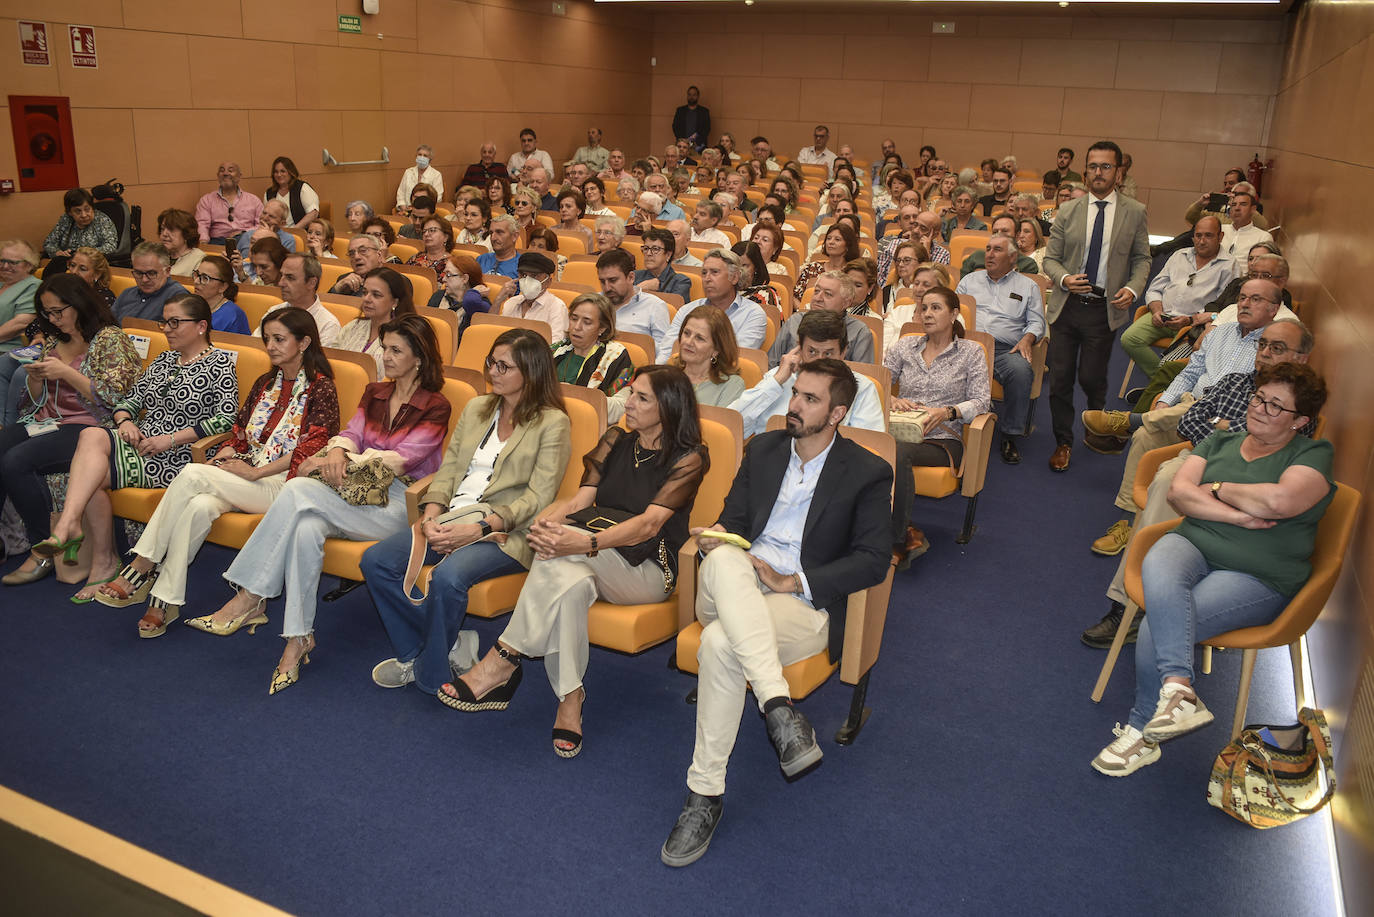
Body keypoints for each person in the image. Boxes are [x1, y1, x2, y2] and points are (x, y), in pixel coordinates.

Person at [660, 357, 890, 867]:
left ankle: (704, 796)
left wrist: (794, 580)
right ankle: (778, 708)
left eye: (810, 399)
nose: (794, 406)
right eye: (796, 394)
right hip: (730, 582)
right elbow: (733, 521)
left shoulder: (868, 472)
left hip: (799, 603)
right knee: (722, 557)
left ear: (837, 414)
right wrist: (719, 535)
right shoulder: (763, 449)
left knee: (721, 646)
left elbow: (874, 561)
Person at [443, 365, 707, 759]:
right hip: (594, 555)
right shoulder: (617, 438)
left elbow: (650, 526)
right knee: (566, 581)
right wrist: (551, 522)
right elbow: (582, 501)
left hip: (650, 567)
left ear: (668, 407)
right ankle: (570, 697)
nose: (629, 403)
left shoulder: (690, 457)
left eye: (641, 397)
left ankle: (503, 658)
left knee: (555, 558)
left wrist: (584, 543)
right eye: (631, 393)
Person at [1091, 362, 1334, 777]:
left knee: (1156, 624)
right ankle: (1178, 694)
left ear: (1301, 421)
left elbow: (1280, 502)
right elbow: (1182, 496)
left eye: (1277, 406)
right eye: (1260, 397)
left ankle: (1142, 732)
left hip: (1258, 573)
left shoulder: (1313, 455)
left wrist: (1218, 490)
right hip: (1193, 542)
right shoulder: (1221, 440)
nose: (1260, 408)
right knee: (1161, 559)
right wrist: (1239, 515)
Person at [194, 315, 447, 691]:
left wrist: (341, 458)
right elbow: (350, 432)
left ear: (420, 358)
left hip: (396, 504)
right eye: (385, 347)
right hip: (350, 493)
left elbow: (402, 459)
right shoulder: (375, 392)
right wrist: (339, 449)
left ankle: (251, 593)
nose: (387, 355)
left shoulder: (435, 405)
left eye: (396, 350)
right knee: (305, 526)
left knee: (296, 489)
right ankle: (297, 639)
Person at [1081, 318, 1314, 649]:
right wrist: (1226, 432)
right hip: (1199, 460)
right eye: (1262, 345)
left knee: (1166, 484)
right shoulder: (1234, 381)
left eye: (1277, 348)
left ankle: (1137, 609)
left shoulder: (1301, 407)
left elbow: (1263, 455)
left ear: (1301, 358)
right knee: (1166, 479)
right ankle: (1127, 603)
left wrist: (1220, 430)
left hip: (1244, 483)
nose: (1264, 354)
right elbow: (1190, 421)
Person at [96, 308, 340, 623]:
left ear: (305, 342)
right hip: (249, 475)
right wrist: (226, 452)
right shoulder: (267, 382)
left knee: (193, 473)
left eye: (279, 339)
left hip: (286, 485)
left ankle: (143, 562)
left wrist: (254, 471)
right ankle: (165, 599)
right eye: (267, 339)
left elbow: (313, 450)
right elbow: (239, 433)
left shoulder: (322, 388)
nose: (270, 346)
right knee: (199, 505)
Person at [39, 293, 238, 606]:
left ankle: (87, 545)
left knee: (91, 477)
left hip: (176, 457)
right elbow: (128, 400)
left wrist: (169, 439)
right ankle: (75, 530)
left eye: (175, 322)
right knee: (91, 436)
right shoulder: (163, 359)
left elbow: (226, 419)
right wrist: (125, 421)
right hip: (138, 442)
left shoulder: (220, 364)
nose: (167, 329)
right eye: (164, 322)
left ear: (201, 326)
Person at [0, 274, 141, 587]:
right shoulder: (53, 340)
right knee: (2, 444)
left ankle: (42, 549)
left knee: (17, 461)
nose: (54, 319)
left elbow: (119, 398)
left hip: (93, 428)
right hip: (50, 422)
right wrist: (35, 378)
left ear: (78, 304)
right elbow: (36, 404)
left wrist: (66, 372)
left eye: (59, 311)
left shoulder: (109, 339)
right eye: (47, 313)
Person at [1042, 140, 1150, 473]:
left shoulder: (1135, 211)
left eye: (1105, 167)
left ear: (1118, 172)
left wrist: (1132, 289)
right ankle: (1063, 441)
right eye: (1092, 166)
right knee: (1059, 379)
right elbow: (1051, 259)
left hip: (1104, 309)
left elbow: (1142, 259)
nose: (1098, 173)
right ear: (1085, 171)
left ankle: (1097, 425)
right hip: (1067, 306)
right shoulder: (1069, 210)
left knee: (1092, 377)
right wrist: (1063, 280)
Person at [883, 286, 992, 565]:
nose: (927, 314)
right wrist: (891, 398)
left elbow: (982, 401)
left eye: (936, 308)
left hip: (943, 439)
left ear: (954, 314)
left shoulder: (970, 353)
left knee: (896, 451)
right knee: (884, 445)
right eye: (924, 308)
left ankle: (897, 537)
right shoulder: (906, 346)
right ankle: (891, 528)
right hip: (902, 428)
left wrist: (948, 412)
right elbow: (879, 381)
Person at [955, 235, 1045, 464]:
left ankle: (1010, 435)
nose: (989, 254)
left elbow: (1036, 322)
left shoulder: (1028, 286)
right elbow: (953, 313)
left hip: (1004, 349)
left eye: (997, 250)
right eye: (987, 249)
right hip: (968, 344)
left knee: (1021, 371)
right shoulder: (969, 281)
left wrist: (1027, 339)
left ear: (1013, 257)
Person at [733, 309, 886, 439]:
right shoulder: (778, 379)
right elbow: (734, 427)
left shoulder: (862, 388)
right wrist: (776, 381)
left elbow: (867, 449)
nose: (819, 361)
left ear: (843, 352)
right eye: (812, 351)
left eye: (828, 353)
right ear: (799, 347)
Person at [1118, 216, 1233, 380]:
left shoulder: (1229, 265)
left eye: (1208, 235)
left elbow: (1223, 305)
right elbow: (1155, 289)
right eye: (1198, 235)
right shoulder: (1179, 255)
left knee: (1172, 361)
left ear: (1220, 237)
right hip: (1163, 316)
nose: (1201, 241)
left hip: (1194, 325)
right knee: (1129, 339)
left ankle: (1162, 383)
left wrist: (1189, 319)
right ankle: (1163, 382)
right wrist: (1157, 311)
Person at [656, 249, 767, 361]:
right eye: (704, 273)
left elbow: (733, 358)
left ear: (734, 277)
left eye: (714, 272)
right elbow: (667, 351)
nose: (707, 279)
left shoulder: (752, 314)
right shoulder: (687, 310)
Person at [769, 272, 874, 365]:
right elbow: (771, 362)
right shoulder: (795, 321)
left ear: (846, 303)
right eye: (816, 291)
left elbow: (861, 378)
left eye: (828, 294)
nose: (817, 298)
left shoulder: (860, 332)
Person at [337, 267, 418, 377]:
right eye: (365, 292)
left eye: (376, 295)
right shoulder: (353, 327)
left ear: (394, 302)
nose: (367, 299)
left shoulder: (405, 337)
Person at [554, 293, 634, 395]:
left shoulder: (617, 356)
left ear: (602, 328)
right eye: (574, 319)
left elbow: (621, 404)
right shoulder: (557, 350)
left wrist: (575, 395)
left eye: (587, 322)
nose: (577, 327)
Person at [255, 254, 342, 347]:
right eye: (281, 275)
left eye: (290, 278)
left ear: (311, 283)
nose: (281, 283)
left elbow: (318, 361)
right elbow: (256, 350)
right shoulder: (273, 311)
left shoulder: (327, 325)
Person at [597, 248, 670, 342]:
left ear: (631, 277)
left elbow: (663, 351)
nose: (607, 288)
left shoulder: (655, 306)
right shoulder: (593, 303)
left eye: (613, 280)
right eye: (602, 282)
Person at [491, 251, 565, 341]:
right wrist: (498, 300)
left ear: (548, 282)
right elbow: (492, 335)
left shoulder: (557, 307)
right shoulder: (510, 303)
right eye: (524, 275)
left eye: (534, 276)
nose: (527, 281)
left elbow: (555, 347)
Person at [113, 242, 189, 322]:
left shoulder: (178, 297)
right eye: (138, 273)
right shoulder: (126, 294)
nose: (144, 279)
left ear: (167, 271)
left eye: (151, 273)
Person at [196, 162, 263, 245]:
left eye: (230, 171)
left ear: (239, 176)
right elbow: (202, 225)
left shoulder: (253, 200)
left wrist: (243, 232)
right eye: (222, 171)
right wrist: (203, 243)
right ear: (218, 175)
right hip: (218, 241)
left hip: (246, 240)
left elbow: (261, 225)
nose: (226, 174)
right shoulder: (206, 200)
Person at [43, 188, 118, 261]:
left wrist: (82, 254)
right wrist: (58, 253)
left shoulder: (102, 220)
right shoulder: (66, 219)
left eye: (87, 209)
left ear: (92, 208)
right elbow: (49, 243)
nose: (84, 215)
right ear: (70, 212)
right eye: (78, 211)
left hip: (93, 264)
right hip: (67, 263)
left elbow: (111, 246)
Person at [427, 253, 491, 336]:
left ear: (465, 279)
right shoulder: (438, 296)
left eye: (448, 275)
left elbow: (470, 302)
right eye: (444, 274)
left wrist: (473, 293)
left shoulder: (479, 303)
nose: (443, 279)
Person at [794, 223, 860, 302]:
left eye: (837, 239)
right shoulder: (812, 268)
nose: (831, 242)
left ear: (847, 246)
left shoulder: (851, 273)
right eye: (828, 238)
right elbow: (795, 297)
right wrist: (802, 311)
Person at [191, 255, 250, 334]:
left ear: (223, 287)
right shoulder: (188, 305)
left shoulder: (234, 316)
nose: (196, 281)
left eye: (205, 278)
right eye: (197, 275)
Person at [634, 227, 692, 302]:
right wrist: (640, 288)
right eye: (646, 248)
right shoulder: (635, 276)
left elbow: (673, 309)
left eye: (655, 249)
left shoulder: (680, 282)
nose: (648, 253)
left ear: (668, 255)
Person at [264, 156, 319, 227]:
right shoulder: (269, 193)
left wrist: (295, 230)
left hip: (300, 232)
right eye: (276, 172)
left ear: (290, 172)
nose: (279, 175)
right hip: (276, 233)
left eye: (282, 171)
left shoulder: (302, 188)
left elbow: (313, 213)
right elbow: (265, 216)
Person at [395, 145, 445, 214]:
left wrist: (421, 209)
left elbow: (438, 198)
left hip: (425, 212)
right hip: (406, 211)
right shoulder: (408, 172)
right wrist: (403, 207)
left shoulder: (436, 175)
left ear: (430, 159)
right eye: (420, 154)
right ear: (416, 156)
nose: (422, 157)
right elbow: (400, 193)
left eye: (425, 156)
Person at [407, 215, 456, 284]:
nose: (426, 234)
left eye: (432, 230)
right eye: (424, 231)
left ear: (445, 237)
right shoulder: (415, 258)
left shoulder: (452, 264)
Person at [156, 208, 206, 275]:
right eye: (162, 229)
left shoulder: (198, 259)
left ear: (186, 234)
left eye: (171, 229)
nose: (164, 234)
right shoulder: (155, 253)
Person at [477, 215, 521, 279]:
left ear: (514, 236)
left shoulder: (522, 266)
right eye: (491, 233)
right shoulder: (481, 259)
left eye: (499, 232)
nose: (493, 238)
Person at [673, 86, 711, 152]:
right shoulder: (680, 111)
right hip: (682, 145)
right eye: (689, 94)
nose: (691, 97)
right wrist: (683, 141)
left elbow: (706, 129)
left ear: (698, 96)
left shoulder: (704, 112)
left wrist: (696, 142)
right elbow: (675, 127)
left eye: (694, 95)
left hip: (699, 146)